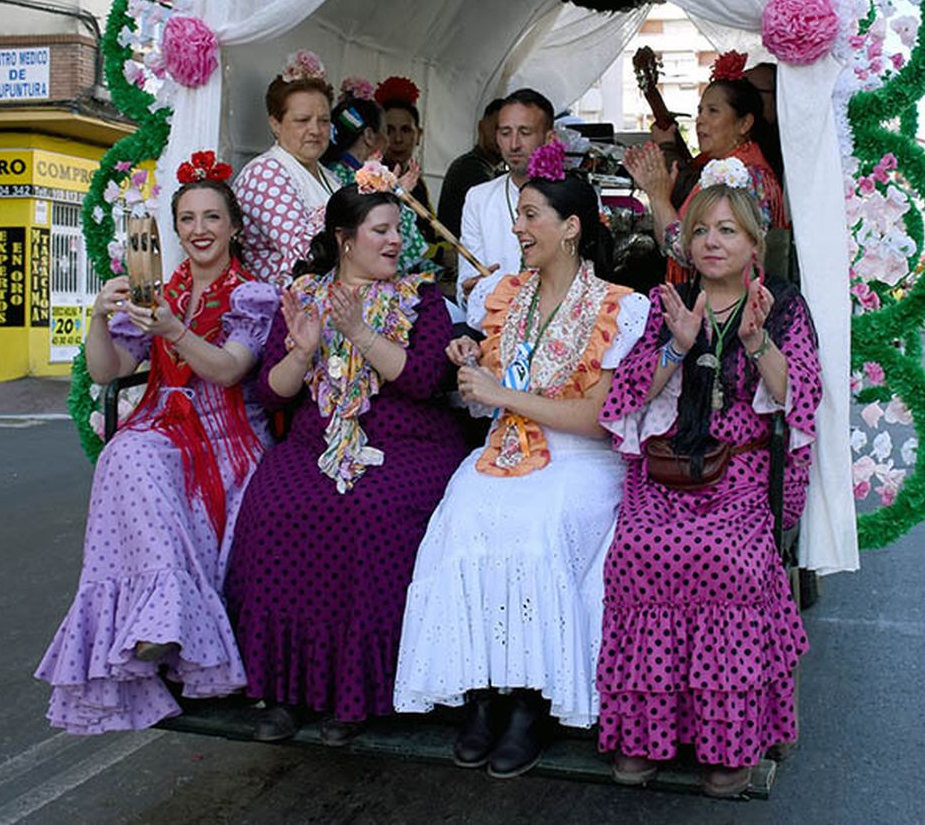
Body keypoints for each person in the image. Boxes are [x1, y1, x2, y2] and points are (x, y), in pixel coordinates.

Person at [394, 142, 649, 778]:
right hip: (507, 446)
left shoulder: (621, 305)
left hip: (579, 455)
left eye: (531, 215)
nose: (517, 227)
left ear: (571, 228)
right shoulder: (506, 295)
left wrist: (505, 394)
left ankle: (532, 701)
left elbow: (599, 417)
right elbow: (488, 388)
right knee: (462, 522)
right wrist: (471, 365)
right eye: (519, 215)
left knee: (535, 533)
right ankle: (484, 692)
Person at [596, 165, 819, 799]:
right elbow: (625, 396)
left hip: (743, 472)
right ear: (686, 245)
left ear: (755, 244)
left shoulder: (782, 307)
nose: (712, 242)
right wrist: (674, 346)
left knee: (727, 560)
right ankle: (645, 734)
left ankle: (728, 741)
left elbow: (799, 395)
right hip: (669, 471)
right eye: (701, 231)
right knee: (637, 551)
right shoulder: (666, 305)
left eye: (728, 230)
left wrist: (755, 344)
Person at [37, 155, 276, 733]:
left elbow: (227, 370)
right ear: (176, 229)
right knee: (126, 454)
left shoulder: (250, 294)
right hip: (163, 424)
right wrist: (98, 317)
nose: (200, 229)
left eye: (212, 217)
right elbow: (108, 369)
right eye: (189, 218)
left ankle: (169, 630)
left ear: (234, 226)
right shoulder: (158, 292)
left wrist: (174, 329)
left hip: (227, 430)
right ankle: (157, 626)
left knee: (140, 460)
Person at [225, 173, 466, 746]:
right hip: (318, 441)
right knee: (274, 505)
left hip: (410, 444)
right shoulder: (303, 296)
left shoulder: (422, 298)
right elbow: (273, 393)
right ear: (344, 238)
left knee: (370, 513)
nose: (392, 242)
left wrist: (357, 330)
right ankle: (284, 690)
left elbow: (425, 380)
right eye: (379, 230)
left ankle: (354, 695)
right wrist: (303, 349)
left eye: (396, 231)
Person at [623, 58, 788, 284]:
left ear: (744, 124)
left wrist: (660, 197)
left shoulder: (745, 177)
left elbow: (691, 253)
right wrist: (656, 194)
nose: (701, 120)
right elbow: (669, 245)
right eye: (700, 111)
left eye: (713, 111)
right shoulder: (727, 167)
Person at [234, 50, 339, 287]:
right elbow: (306, 251)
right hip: (280, 310)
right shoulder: (264, 174)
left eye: (323, 120)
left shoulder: (330, 177)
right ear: (275, 124)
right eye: (302, 120)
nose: (315, 130)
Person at [457, 88, 555, 297]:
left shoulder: (574, 195)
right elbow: (467, 283)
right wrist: (469, 291)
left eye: (525, 133)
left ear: (549, 138)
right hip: (493, 322)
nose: (514, 144)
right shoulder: (478, 198)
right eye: (505, 133)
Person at [323, 87, 431, 274]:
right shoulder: (345, 178)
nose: (392, 140)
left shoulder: (343, 172)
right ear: (369, 136)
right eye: (386, 131)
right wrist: (397, 198)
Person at [437, 99, 504, 240]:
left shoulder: (486, 167)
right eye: (497, 128)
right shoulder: (471, 169)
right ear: (481, 127)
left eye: (507, 131)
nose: (503, 137)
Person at [375, 76, 435, 217]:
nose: (398, 139)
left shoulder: (419, 184)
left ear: (419, 135)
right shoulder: (370, 180)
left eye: (406, 130)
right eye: (389, 130)